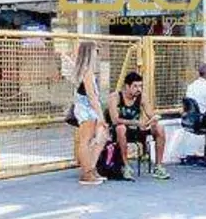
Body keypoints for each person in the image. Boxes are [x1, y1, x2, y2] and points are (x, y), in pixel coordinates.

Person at [106, 71, 171, 181]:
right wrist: (135, 122)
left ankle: (158, 166)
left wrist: (153, 120)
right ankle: (126, 166)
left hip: (138, 129)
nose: (139, 89)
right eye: (135, 86)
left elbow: (150, 114)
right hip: (120, 131)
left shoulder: (142, 97)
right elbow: (115, 120)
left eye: (140, 86)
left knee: (160, 128)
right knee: (120, 128)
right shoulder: (115, 97)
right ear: (127, 86)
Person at [72, 41, 109, 185]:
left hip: (88, 109)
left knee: (101, 137)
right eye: (95, 52)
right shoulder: (87, 72)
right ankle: (86, 172)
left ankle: (91, 168)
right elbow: (92, 97)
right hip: (87, 110)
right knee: (86, 141)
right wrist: (101, 116)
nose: (97, 55)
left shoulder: (86, 71)